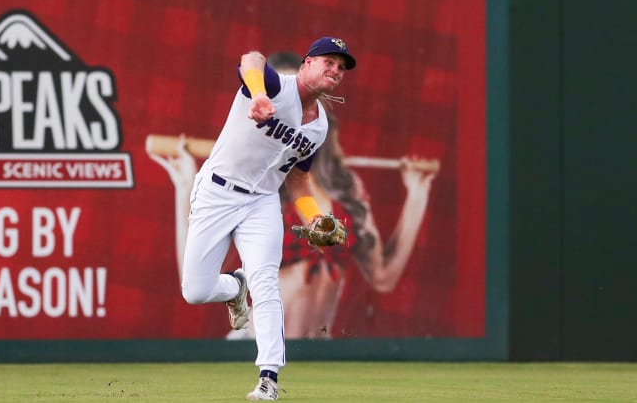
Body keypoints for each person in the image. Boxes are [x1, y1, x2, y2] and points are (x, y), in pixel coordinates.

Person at [150, 51, 437, 342]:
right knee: (199, 289)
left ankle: (270, 374)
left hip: (319, 342)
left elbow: (382, 275)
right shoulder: (257, 193)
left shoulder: (340, 188)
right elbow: (198, 278)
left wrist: (417, 195)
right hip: (253, 336)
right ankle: (244, 304)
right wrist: (185, 185)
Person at [176, 37, 356, 401]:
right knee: (195, 291)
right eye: (328, 61)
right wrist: (258, 95)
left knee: (266, 284)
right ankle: (234, 288)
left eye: (341, 67)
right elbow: (251, 58)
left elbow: (299, 180)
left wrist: (316, 218)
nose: (335, 70)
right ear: (307, 63)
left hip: (261, 202)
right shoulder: (276, 87)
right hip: (217, 192)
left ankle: (268, 377)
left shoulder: (319, 127)